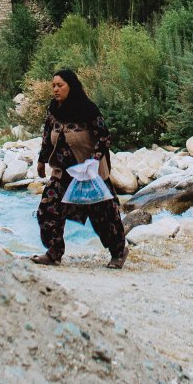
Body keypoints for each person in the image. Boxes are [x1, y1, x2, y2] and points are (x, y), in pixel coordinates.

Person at [30, 69, 129, 268]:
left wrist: (93, 160)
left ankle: (119, 252)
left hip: (90, 173)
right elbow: (47, 134)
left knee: (104, 215)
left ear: (71, 86)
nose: (55, 89)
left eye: (60, 85)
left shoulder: (87, 109)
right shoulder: (53, 108)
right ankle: (54, 253)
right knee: (48, 209)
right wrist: (41, 161)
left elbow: (104, 136)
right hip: (63, 172)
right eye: (53, 86)